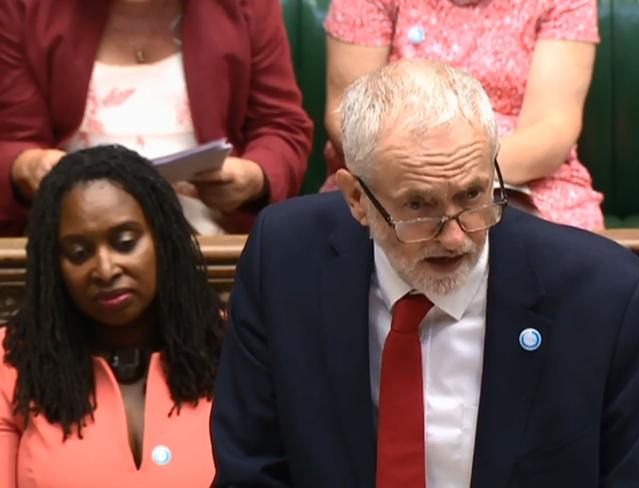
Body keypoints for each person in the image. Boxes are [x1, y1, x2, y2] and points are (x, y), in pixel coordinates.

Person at [210, 61, 639, 487]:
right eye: (419, 206)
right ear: (357, 200)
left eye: (473, 194)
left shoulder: (608, 300)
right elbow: (250, 469)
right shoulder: (285, 262)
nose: (456, 237)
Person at [0, 145, 224, 487]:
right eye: (78, 253)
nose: (105, 269)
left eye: (124, 242)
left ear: (163, 240)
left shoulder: (234, 346)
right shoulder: (12, 360)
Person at [0, 0, 313, 236]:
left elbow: (281, 128)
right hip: (76, 253)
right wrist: (26, 166)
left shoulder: (246, 5)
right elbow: (12, 139)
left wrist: (253, 177)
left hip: (212, 250)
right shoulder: (25, 8)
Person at [322, 0, 604, 230]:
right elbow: (344, 115)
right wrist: (419, 177)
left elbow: (551, 129)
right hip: (391, 177)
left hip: (529, 178)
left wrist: (461, 180)